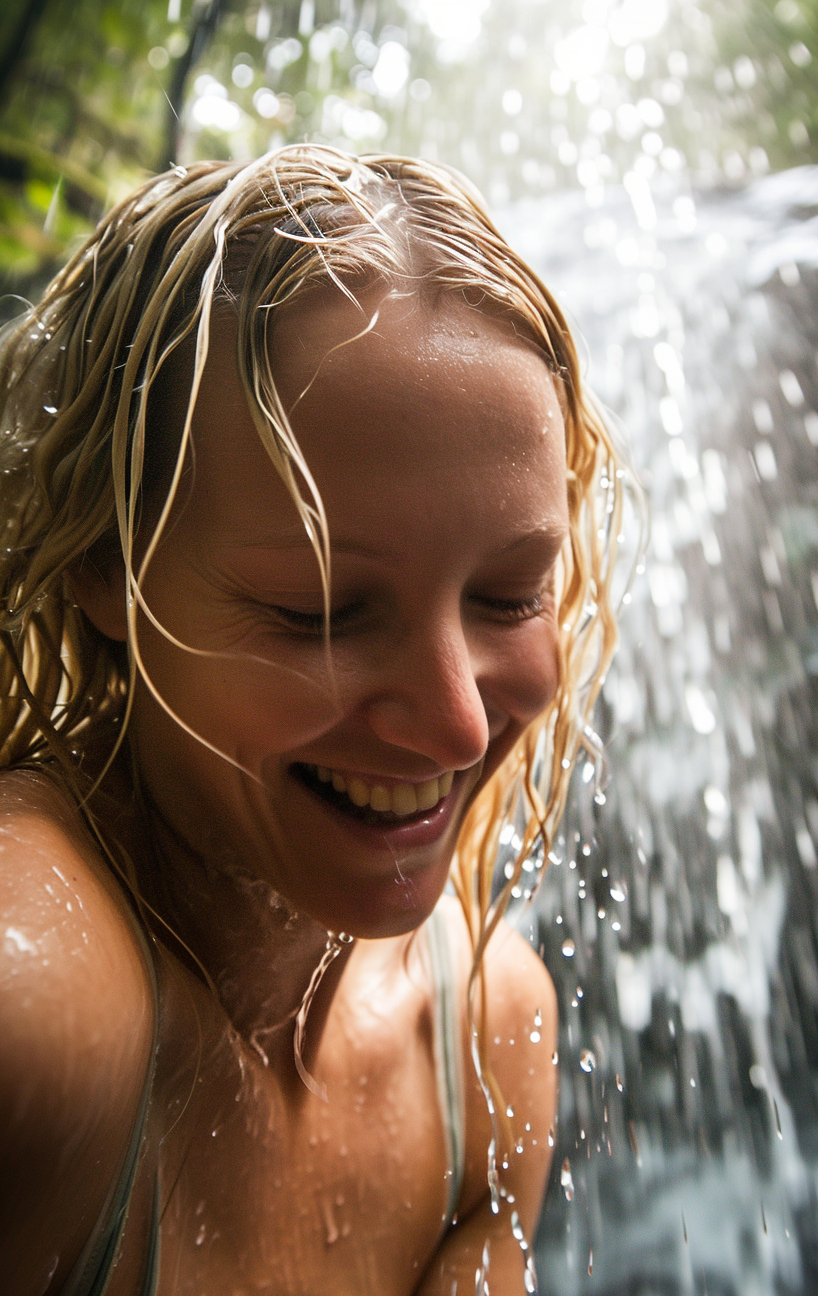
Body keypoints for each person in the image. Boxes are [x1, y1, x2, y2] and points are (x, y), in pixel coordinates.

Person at [0, 146, 621, 1294]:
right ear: (106, 562)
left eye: (511, 596)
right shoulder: (34, 1018)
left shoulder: (485, 1044)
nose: (452, 729)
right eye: (321, 610)